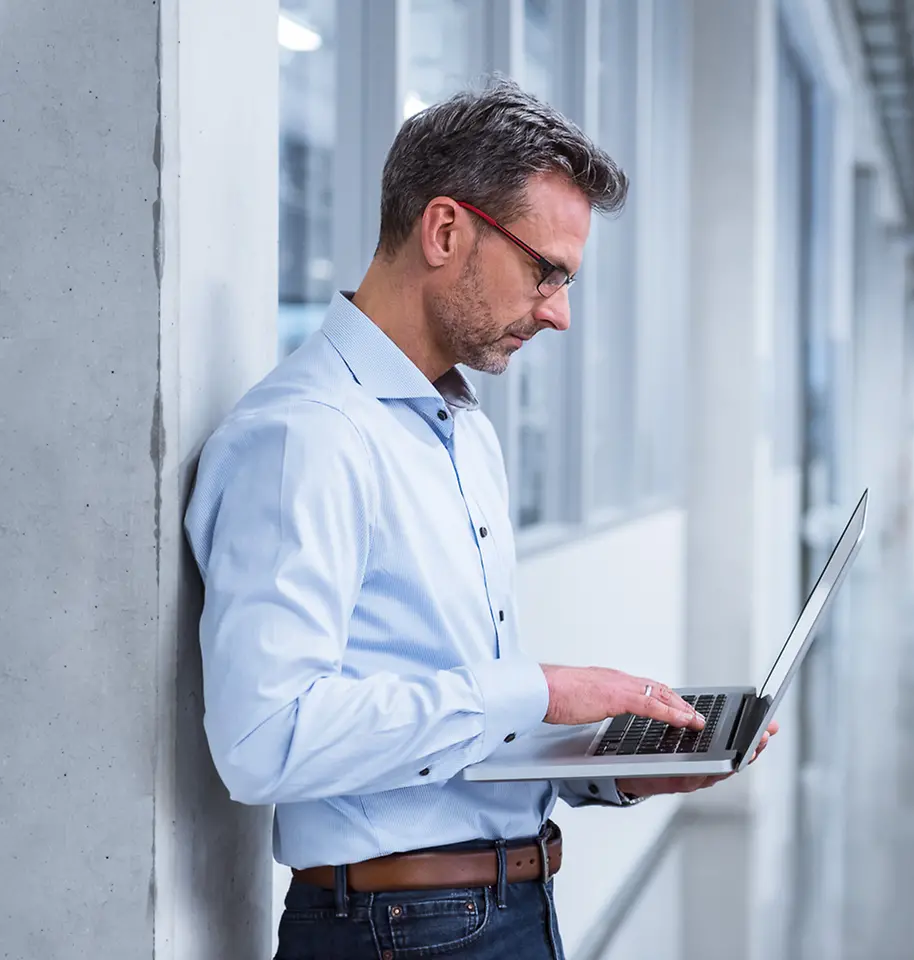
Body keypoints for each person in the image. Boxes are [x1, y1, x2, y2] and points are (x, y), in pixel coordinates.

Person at [184, 78, 776, 960]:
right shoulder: (306, 437)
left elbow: (452, 721)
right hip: (398, 931)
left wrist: (608, 766)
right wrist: (537, 690)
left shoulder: (461, 432)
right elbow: (264, 739)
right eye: (546, 271)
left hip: (502, 905)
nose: (559, 312)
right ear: (445, 231)